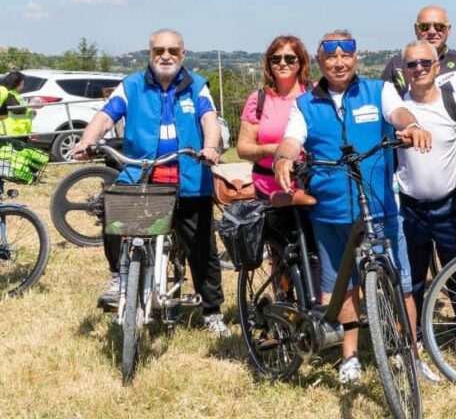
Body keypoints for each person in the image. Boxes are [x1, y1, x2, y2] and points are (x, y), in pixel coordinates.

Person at [271, 30, 432, 385]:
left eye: (346, 56)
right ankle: (350, 356)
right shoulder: (305, 104)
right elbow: (291, 139)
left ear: (355, 58)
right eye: (331, 57)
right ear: (320, 61)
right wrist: (283, 159)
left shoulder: (379, 90)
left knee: (402, 284)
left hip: (379, 208)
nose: (339, 63)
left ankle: (413, 355)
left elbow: (400, 113)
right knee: (343, 286)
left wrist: (413, 125)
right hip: (331, 211)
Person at [70, 29, 229, 338]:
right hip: (141, 175)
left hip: (189, 177)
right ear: (149, 54)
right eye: (158, 50)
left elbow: (209, 120)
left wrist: (211, 147)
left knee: (202, 248)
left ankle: (212, 312)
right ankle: (119, 276)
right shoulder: (131, 85)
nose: (165, 56)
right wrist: (87, 141)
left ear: (183, 54)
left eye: (172, 50)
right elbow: (105, 116)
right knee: (114, 213)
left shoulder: (197, 86)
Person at [393, 39, 456, 367]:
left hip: (449, 203)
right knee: (411, 276)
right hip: (410, 206)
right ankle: (411, 337)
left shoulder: (455, 103)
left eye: (424, 63)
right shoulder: (397, 108)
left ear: (437, 67)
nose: (418, 69)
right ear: (404, 71)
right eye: (412, 64)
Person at [236, 36, 311, 198]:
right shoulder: (258, 100)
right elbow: (243, 149)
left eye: (290, 58)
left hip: (310, 188)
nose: (282, 63)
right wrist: (273, 149)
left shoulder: (314, 96)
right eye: (276, 59)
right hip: (267, 190)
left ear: (301, 62)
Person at [381, 5, 456, 100]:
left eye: (439, 26)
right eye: (424, 27)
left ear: (448, 29)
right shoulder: (396, 65)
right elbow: (383, 105)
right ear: (416, 29)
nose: (432, 31)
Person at [0, 71, 32, 136]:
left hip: (19, 131)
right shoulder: (7, 93)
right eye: (23, 82)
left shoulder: (16, 95)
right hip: (9, 131)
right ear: (20, 82)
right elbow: (16, 110)